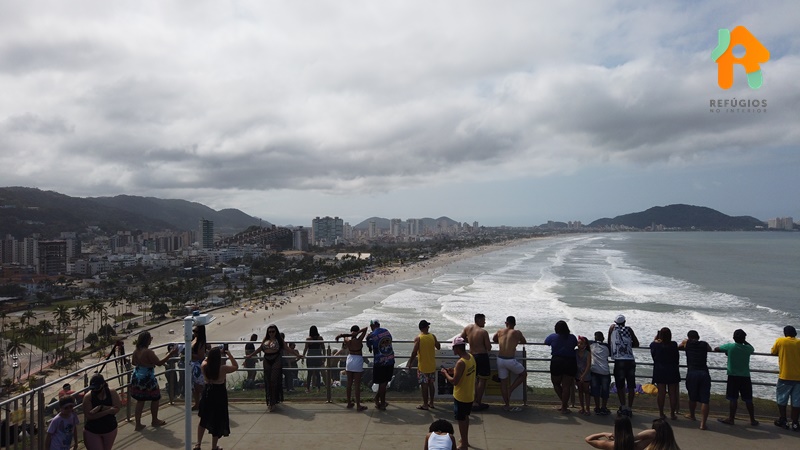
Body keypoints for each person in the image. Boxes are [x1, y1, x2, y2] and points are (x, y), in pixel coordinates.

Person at [245, 324, 303, 412]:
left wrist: (297, 355)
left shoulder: (279, 340)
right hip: (267, 359)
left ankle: (274, 401)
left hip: (276, 359)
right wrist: (250, 355)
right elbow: (260, 348)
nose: (271, 333)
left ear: (276, 332)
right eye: (269, 331)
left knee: (273, 380)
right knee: (268, 381)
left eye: (273, 331)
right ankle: (271, 402)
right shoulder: (266, 339)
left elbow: (287, 348)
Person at [130, 331, 177, 431]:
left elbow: (134, 363)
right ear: (147, 340)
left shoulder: (136, 351)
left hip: (138, 377)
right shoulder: (148, 352)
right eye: (150, 338)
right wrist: (170, 354)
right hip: (148, 378)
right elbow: (159, 363)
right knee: (155, 398)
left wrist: (144, 364)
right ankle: (154, 420)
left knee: (140, 400)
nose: (151, 339)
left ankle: (138, 424)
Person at [195, 346, 239, 450]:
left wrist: (211, 354)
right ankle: (214, 447)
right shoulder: (222, 368)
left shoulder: (204, 366)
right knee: (217, 420)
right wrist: (229, 354)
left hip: (207, 392)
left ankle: (198, 444)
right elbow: (235, 366)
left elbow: (205, 360)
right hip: (219, 393)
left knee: (203, 419)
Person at [715, 328, 758, 426]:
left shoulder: (730, 346)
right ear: (744, 338)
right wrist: (744, 341)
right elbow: (752, 348)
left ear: (733, 338)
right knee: (748, 399)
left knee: (733, 398)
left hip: (733, 376)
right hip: (745, 376)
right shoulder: (747, 349)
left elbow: (716, 348)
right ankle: (752, 419)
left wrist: (728, 353)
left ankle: (731, 419)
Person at [440, 337, 475, 450]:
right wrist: (454, 371)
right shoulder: (471, 358)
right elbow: (463, 373)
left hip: (461, 395)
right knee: (466, 417)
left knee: (461, 419)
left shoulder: (460, 362)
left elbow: (454, 381)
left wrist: (445, 373)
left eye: (454, 348)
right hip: (469, 393)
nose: (453, 350)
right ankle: (465, 440)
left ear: (458, 348)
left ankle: (464, 445)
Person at [678, 330, 712, 430]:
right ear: (698, 336)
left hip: (692, 372)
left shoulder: (686, 343)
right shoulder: (704, 344)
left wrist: (685, 342)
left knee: (692, 396)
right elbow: (709, 349)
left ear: (688, 337)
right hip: (704, 372)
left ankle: (692, 415)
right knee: (705, 399)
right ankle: (703, 424)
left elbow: (679, 346)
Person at [493, 315, 527, 412]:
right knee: (523, 374)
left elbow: (494, 339)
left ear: (506, 323)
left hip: (500, 359)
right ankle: (511, 389)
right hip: (510, 360)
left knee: (503, 382)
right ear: (515, 324)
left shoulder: (500, 331)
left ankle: (507, 405)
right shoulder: (517, 332)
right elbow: (524, 342)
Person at [609, 314, 639, 417]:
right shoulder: (629, 330)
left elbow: (609, 341)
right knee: (631, 386)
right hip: (630, 360)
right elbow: (636, 343)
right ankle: (629, 408)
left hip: (619, 360)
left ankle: (623, 406)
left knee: (619, 385)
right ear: (624, 322)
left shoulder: (612, 328)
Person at [771, 325, 800, 431]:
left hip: (785, 375)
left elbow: (773, 352)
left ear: (785, 333)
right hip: (798, 377)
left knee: (782, 399)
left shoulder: (781, 341)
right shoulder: (799, 342)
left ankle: (783, 420)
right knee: (797, 401)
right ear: (795, 334)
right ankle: (795, 422)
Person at [544, 320, 578, 414]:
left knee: (556, 384)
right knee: (566, 386)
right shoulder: (572, 337)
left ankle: (564, 404)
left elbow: (546, 342)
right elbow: (576, 344)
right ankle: (564, 406)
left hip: (557, 361)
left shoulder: (553, 336)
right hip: (570, 361)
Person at [460, 313, 491, 411]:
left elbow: (461, 338)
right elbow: (488, 347)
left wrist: (469, 341)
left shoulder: (468, 328)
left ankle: (472, 401)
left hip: (472, 356)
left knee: (473, 379)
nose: (485, 322)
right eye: (483, 320)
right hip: (482, 356)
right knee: (482, 380)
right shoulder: (483, 332)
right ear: (479, 320)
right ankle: (478, 402)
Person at [408, 319, 442, 410]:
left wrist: (410, 362)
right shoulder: (433, 336)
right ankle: (431, 403)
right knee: (431, 384)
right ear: (425, 327)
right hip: (431, 365)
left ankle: (425, 404)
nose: (429, 327)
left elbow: (414, 352)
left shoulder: (418, 338)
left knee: (424, 385)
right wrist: (436, 342)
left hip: (422, 366)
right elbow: (438, 347)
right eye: (427, 326)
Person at [82, 374, 122, 450]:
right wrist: (108, 411)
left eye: (97, 388)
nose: (95, 390)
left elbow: (117, 408)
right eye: (92, 388)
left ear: (103, 384)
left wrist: (101, 407)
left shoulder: (111, 392)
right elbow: (90, 416)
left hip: (110, 429)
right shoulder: (88, 397)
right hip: (93, 430)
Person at [335, 325, 369, 411]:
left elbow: (345, 336)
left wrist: (349, 335)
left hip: (350, 359)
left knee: (349, 383)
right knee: (357, 384)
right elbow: (365, 329)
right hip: (357, 359)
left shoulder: (347, 340)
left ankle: (349, 403)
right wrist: (357, 333)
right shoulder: (359, 340)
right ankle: (358, 405)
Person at [649, 327, 680, 420]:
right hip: (672, 369)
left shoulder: (655, 345)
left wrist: (657, 338)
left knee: (661, 393)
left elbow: (653, 344)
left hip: (660, 370)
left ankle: (661, 413)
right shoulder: (673, 344)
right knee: (672, 393)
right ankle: (672, 414)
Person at [366, 318, 395, 410]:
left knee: (382, 383)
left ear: (372, 326)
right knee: (385, 382)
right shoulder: (386, 331)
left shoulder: (372, 335)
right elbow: (390, 340)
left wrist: (367, 338)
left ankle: (381, 402)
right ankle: (378, 399)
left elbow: (369, 346)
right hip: (390, 359)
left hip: (380, 362)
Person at [584, 415, 654, 450]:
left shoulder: (611, 445)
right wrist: (631, 438)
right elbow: (654, 433)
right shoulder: (636, 446)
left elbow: (588, 439)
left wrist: (604, 433)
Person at [590, 331, 612, 416]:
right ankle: (603, 407)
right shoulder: (607, 346)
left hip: (594, 370)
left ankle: (597, 407)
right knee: (605, 390)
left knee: (595, 389)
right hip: (605, 371)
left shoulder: (591, 345)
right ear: (603, 338)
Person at [303, 325, 325, 392]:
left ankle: (308, 388)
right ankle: (318, 388)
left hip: (310, 357)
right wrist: (324, 357)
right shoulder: (320, 338)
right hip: (318, 356)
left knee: (309, 373)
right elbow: (323, 348)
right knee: (318, 373)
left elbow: (305, 349)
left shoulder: (308, 339)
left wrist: (303, 357)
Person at [190, 325, 208, 410]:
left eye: (196, 332)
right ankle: (197, 403)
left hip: (198, 366)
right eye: (193, 331)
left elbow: (200, 356)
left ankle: (206, 402)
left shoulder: (201, 342)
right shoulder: (194, 339)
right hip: (193, 365)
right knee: (194, 388)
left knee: (199, 386)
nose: (194, 333)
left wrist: (189, 354)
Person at [576, 336, 593, 416]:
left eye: (581, 343)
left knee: (586, 391)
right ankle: (582, 407)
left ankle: (588, 408)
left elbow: (588, 365)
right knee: (580, 391)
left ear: (585, 345)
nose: (579, 345)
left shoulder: (588, 353)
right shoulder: (575, 352)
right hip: (578, 374)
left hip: (586, 374)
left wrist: (583, 375)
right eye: (578, 343)